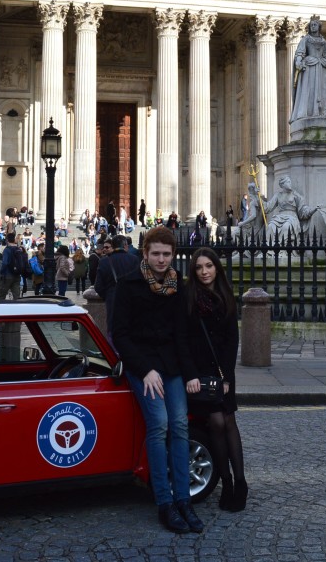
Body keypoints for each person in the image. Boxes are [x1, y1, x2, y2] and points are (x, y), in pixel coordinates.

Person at [111, 226, 203, 534]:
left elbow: (183, 335)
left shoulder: (179, 286)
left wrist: (190, 374)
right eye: (156, 254)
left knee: (180, 424)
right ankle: (164, 502)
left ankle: (183, 500)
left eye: (166, 254)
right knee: (160, 423)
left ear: (173, 255)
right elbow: (120, 335)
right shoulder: (128, 285)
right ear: (145, 253)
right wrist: (145, 369)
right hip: (144, 368)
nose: (161, 260)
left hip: (173, 366)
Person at [184, 247, 247, 512]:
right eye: (199, 267)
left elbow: (232, 341)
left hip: (222, 374)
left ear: (216, 268)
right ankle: (226, 480)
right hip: (200, 374)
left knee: (229, 421)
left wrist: (227, 378)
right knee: (216, 422)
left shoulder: (226, 296)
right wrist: (191, 375)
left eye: (208, 266)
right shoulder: (188, 298)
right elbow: (183, 341)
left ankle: (240, 483)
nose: (204, 272)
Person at [290, 15, 326, 124]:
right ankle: (309, 111)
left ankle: (323, 110)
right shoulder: (306, 39)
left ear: (319, 27)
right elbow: (300, 53)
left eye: (315, 25)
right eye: (311, 25)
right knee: (309, 90)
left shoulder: (323, 41)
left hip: (321, 67)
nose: (313, 27)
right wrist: (298, 61)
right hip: (310, 66)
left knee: (323, 89)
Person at [94, 235, 141, 344]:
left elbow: (98, 286)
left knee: (114, 332)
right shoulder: (134, 259)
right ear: (125, 246)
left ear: (113, 246)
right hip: (132, 301)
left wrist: (109, 294)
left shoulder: (104, 262)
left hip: (113, 301)